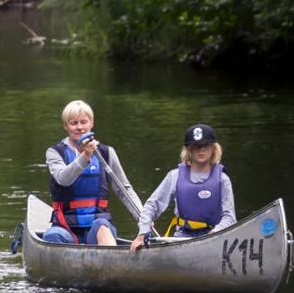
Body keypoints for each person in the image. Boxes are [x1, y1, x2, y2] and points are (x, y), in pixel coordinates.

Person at [41, 99, 149, 246]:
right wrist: (85, 156)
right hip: (66, 226)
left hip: (97, 226)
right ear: (66, 126)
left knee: (103, 227)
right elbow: (63, 179)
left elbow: (124, 189)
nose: (79, 127)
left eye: (83, 122)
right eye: (74, 123)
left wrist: (143, 217)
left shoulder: (106, 152)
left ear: (91, 123)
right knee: (52, 236)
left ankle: (111, 265)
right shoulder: (55, 152)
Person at [129, 122, 236, 249]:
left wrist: (211, 236)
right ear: (188, 149)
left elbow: (229, 218)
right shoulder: (175, 176)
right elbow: (152, 206)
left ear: (213, 148)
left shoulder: (222, 179)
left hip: (215, 238)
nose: (201, 149)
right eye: (196, 146)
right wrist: (143, 232)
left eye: (205, 145)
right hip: (182, 237)